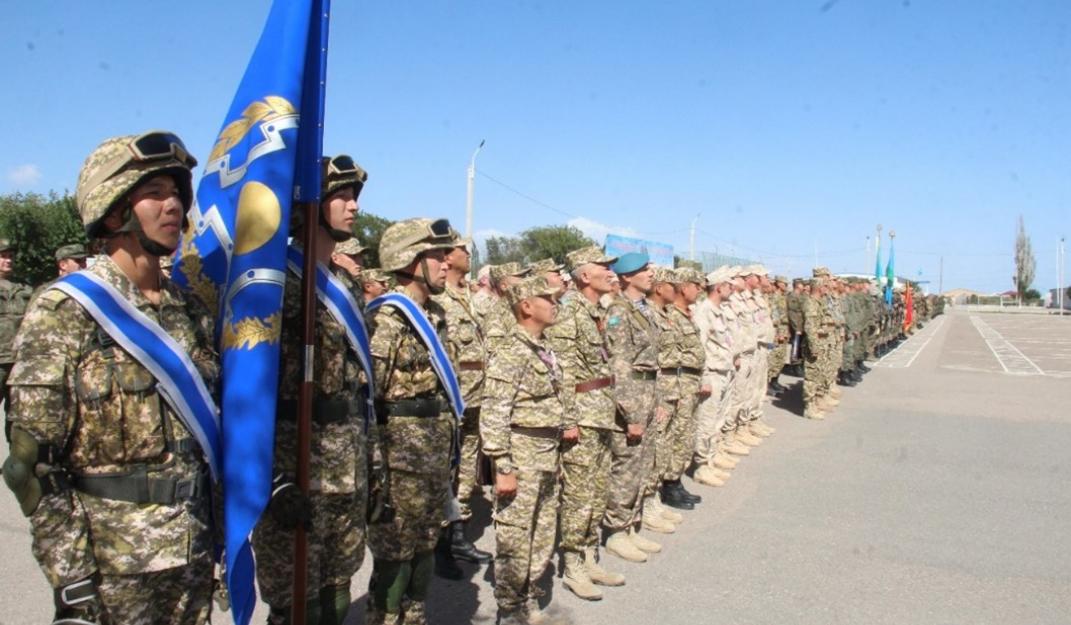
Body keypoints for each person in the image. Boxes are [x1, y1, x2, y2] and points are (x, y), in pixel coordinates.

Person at [3, 131, 217, 624]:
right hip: (114, 567)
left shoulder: (189, 311)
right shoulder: (65, 311)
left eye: (177, 193)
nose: (174, 205)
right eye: (156, 192)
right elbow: (32, 466)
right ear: (115, 210)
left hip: (192, 551)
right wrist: (72, 580)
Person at [253, 154, 371, 625]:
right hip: (295, 464)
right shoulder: (273, 283)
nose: (353, 206)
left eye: (355, 196)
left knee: (338, 587)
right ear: (307, 205)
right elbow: (247, 389)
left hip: (347, 464)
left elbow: (361, 389)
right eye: (340, 195)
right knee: (295, 600)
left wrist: (372, 465)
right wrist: (272, 478)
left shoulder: (347, 287)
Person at [366, 217, 459, 625]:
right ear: (410, 259)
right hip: (397, 462)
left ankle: (414, 616)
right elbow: (367, 400)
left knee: (425, 545)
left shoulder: (436, 315)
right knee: (394, 553)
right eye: (437, 255)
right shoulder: (386, 320)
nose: (446, 263)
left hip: (433, 455)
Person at [481, 275, 565, 625]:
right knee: (516, 535)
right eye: (547, 298)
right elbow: (495, 409)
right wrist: (502, 465)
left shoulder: (543, 347)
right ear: (526, 306)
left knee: (544, 530)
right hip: (522, 451)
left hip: (547, 450)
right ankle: (510, 608)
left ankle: (528, 597)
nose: (555, 303)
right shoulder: (512, 350)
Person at [544, 245, 624, 601]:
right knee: (578, 493)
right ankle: (573, 563)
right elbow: (562, 372)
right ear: (583, 275)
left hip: (602, 412)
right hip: (582, 415)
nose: (611, 272)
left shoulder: (597, 310)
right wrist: (568, 420)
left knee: (598, 488)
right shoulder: (568, 313)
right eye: (603, 267)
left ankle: (590, 555)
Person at [431, 231, 493, 578]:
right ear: (446, 255)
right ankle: (441, 541)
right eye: (462, 250)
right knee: (447, 468)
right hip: (455, 394)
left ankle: (459, 534)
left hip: (477, 395)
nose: (468, 254)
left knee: (467, 468)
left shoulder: (467, 295)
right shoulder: (439, 298)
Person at [602, 252, 664, 563]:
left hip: (648, 392)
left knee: (644, 464)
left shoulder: (644, 309)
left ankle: (631, 525)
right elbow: (620, 365)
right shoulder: (619, 311)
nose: (650, 273)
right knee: (626, 468)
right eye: (642, 270)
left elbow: (653, 360)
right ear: (626, 277)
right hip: (633, 398)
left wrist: (658, 400)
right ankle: (616, 531)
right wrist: (631, 413)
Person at [654, 267, 706, 509]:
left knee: (685, 435)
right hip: (676, 381)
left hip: (688, 381)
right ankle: (668, 484)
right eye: (696, 285)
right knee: (672, 436)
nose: (699, 290)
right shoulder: (668, 315)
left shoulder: (683, 314)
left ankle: (674, 481)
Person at [691, 266, 742, 486]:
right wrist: (703, 378)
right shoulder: (705, 311)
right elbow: (700, 347)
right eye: (729, 285)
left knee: (718, 418)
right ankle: (702, 465)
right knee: (706, 420)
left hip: (725, 369)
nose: (733, 289)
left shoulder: (720, 310)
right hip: (712, 372)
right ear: (719, 287)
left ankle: (712, 456)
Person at [0, 238, 32, 407]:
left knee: (17, 416)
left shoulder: (24, 288)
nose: (9, 260)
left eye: (10, 256)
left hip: (19, 360)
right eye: (3, 256)